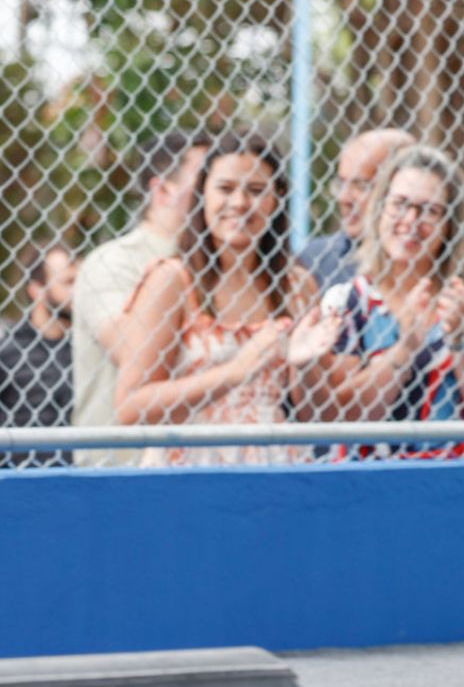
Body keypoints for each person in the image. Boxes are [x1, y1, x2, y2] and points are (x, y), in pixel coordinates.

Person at [112, 134, 339, 466]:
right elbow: (130, 407)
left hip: (274, 462)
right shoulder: (172, 280)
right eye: (226, 188)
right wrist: (235, 372)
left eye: (257, 190)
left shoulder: (296, 283)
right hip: (189, 463)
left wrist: (304, 368)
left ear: (277, 199)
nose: (241, 203)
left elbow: (318, 414)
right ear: (202, 196)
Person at [71, 132, 209, 467]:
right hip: (119, 469)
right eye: (206, 179)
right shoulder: (113, 263)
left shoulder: (224, 267)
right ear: (162, 190)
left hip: (201, 463)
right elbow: (137, 354)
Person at [318, 144, 464, 459]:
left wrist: (458, 344)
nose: (411, 220)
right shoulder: (349, 301)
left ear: (448, 225)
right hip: (366, 483)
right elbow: (339, 414)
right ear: (380, 208)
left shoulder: (458, 301)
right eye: (400, 203)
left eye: (430, 210)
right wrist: (404, 350)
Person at [0, 242, 77, 468]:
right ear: (37, 290)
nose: (80, 291)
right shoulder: (2, 353)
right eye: (69, 282)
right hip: (16, 485)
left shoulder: (89, 352)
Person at [299, 129, 417, 292]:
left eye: (361, 186)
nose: (343, 198)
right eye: (341, 184)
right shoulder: (315, 259)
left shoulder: (431, 260)